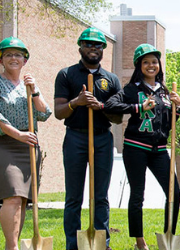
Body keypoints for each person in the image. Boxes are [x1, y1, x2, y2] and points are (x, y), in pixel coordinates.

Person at [103, 44, 180, 250]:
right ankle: (140, 241)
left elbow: (169, 121)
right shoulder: (132, 89)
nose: (151, 66)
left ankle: (169, 235)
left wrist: (179, 107)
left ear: (159, 65)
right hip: (136, 147)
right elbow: (109, 105)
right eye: (146, 62)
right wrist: (138, 107)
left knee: (174, 193)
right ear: (139, 65)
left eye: (154, 62)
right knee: (138, 194)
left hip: (159, 150)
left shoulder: (165, 91)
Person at [0, 37, 51, 250]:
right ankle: (12, 247)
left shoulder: (28, 85)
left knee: (21, 200)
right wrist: (18, 134)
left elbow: (45, 113)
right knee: (12, 195)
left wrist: (34, 90)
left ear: (25, 60)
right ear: (0, 58)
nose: (13, 58)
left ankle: (12, 244)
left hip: (26, 146)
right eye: (8, 54)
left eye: (18, 54)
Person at [53, 27, 121, 250]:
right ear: (80, 46)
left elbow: (118, 118)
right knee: (74, 196)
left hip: (102, 139)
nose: (93, 48)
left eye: (98, 45)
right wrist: (77, 102)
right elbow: (59, 111)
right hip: (75, 138)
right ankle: (73, 244)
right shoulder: (66, 74)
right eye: (89, 44)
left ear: (103, 49)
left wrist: (100, 106)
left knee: (100, 196)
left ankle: (102, 243)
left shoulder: (111, 79)